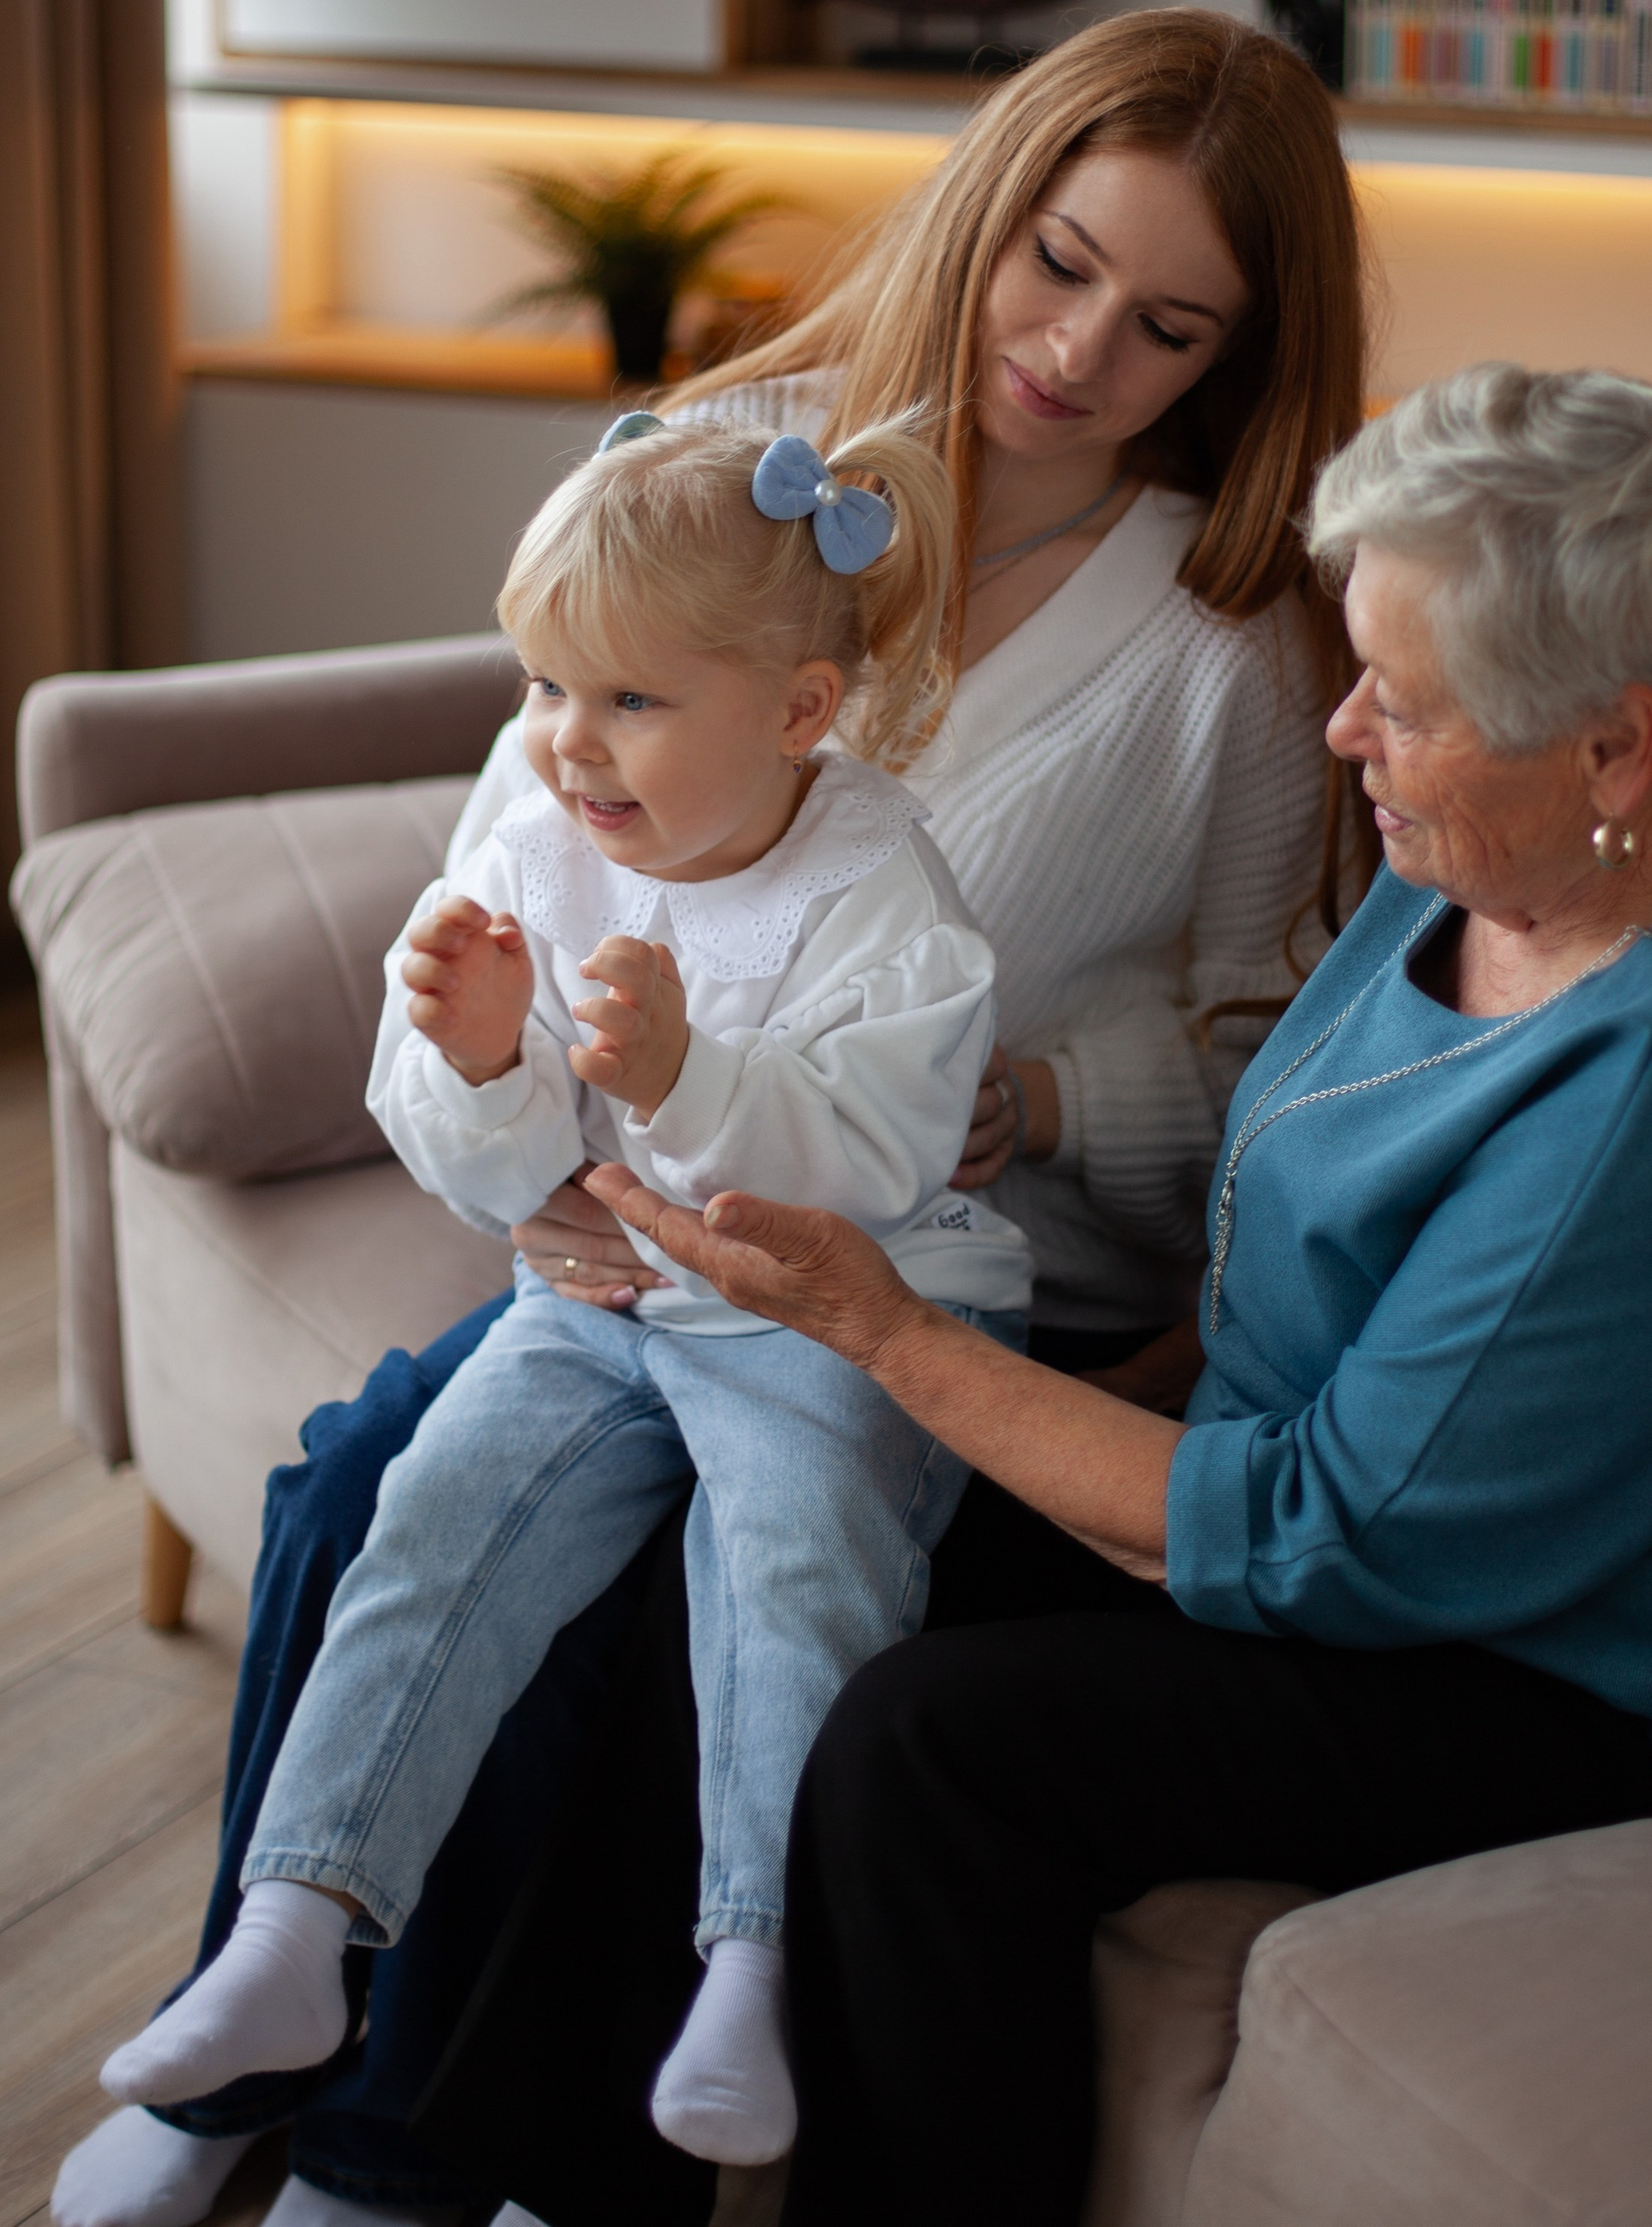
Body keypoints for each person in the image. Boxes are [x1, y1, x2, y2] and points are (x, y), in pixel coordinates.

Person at [54, 7, 1371, 2227]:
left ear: (1237, 358)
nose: (1075, 352)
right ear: (987, 206)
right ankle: (239, 2068)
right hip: (627, 1214)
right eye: (1054, 263)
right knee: (374, 1471)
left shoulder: (1225, 648)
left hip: (928, 1273)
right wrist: (548, 1160)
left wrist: (1041, 1095)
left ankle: (409, 2165)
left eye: (1166, 329)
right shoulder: (736, 458)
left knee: (693, 1571)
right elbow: (528, 840)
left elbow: (1265, 1051)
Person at [599, 364, 1652, 2227]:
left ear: (1615, 745)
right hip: (1346, 1473)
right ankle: (572, 2161)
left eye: (1403, 700)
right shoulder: (1507, 837)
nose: (1346, 728)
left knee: (930, 1746)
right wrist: (1106, 1373)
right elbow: (1325, 1216)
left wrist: (882, 1326)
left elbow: (1325, 1540)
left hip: (1600, 1653)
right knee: (754, 1516)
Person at [96, 409, 1032, 2172]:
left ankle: (750, 1960)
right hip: (608, 1307)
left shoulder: (877, 887)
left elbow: (886, 1155)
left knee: (787, 1546)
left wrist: (689, 1080)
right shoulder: (532, 837)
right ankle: (298, 1927)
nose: (563, 744)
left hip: (841, 1306)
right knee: (430, 1511)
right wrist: (474, 1071)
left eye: (627, 703)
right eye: (544, 686)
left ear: (800, 714)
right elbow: (477, 1155)